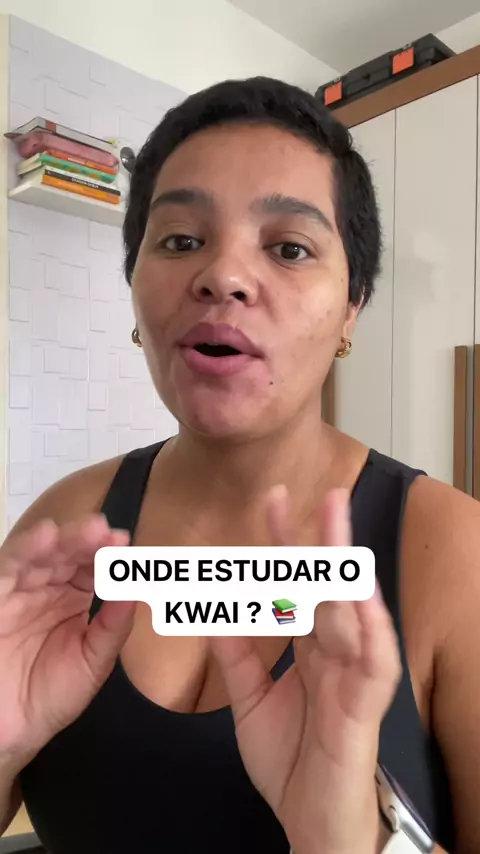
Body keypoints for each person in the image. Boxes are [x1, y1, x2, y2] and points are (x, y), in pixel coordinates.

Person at [0, 76, 478, 854]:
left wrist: (353, 840)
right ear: (135, 288)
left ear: (352, 305)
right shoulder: (63, 527)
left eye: (289, 248)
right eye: (180, 240)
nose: (221, 275)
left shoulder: (457, 554)